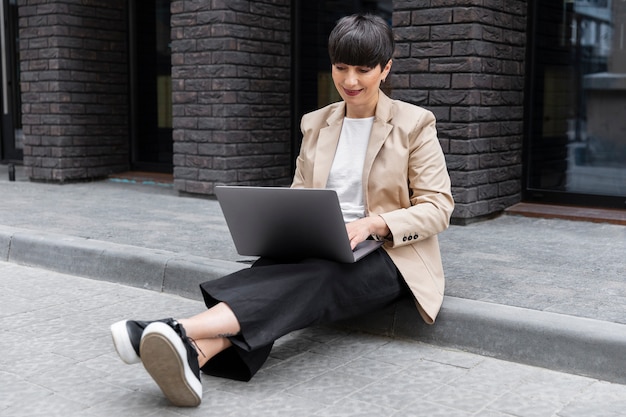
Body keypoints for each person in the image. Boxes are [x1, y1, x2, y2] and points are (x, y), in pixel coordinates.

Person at [110, 13, 454, 407]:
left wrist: (372, 224)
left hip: (389, 254)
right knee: (270, 272)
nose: (350, 81)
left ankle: (170, 329)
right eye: (341, 68)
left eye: (363, 70)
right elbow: (301, 194)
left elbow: (438, 207)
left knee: (318, 275)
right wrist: (286, 226)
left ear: (386, 68)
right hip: (322, 242)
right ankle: (195, 355)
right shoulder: (317, 123)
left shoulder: (414, 124)